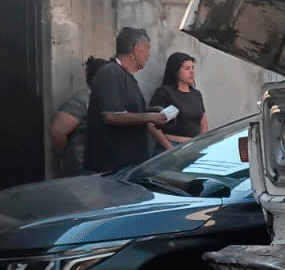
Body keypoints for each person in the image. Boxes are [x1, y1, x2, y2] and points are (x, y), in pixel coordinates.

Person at [84, 27, 166, 173]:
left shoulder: (126, 76)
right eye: (147, 48)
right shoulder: (111, 72)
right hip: (111, 168)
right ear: (136, 48)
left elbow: (128, 110)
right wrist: (150, 116)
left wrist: (154, 112)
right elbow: (111, 115)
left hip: (129, 165)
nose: (149, 54)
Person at [49, 56, 107, 177]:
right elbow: (58, 132)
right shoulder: (82, 100)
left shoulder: (107, 99)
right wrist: (65, 156)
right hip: (81, 169)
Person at [149, 52, 208, 152]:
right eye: (187, 69)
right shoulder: (164, 93)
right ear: (176, 71)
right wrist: (169, 148)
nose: (192, 72)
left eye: (193, 68)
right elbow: (151, 123)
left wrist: (202, 143)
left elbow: (203, 121)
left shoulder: (196, 94)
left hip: (194, 147)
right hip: (172, 145)